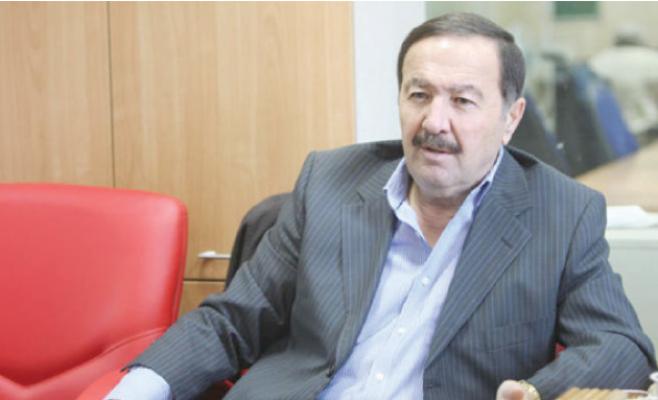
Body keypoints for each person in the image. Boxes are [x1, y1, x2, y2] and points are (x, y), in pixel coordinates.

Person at [106, 13, 656, 400]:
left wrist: (536, 392)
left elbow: (620, 344)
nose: (435, 122)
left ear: (511, 119)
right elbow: (232, 320)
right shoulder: (329, 182)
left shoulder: (561, 212)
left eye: (462, 101)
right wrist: (134, 390)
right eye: (419, 95)